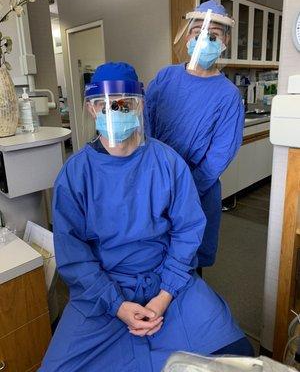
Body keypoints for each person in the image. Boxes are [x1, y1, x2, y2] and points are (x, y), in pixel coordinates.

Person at [39, 62, 252, 372]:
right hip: (101, 292)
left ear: (139, 105)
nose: (115, 111)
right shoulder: (75, 175)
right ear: (90, 109)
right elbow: (74, 256)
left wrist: (164, 296)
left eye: (124, 103)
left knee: (236, 354)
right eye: (104, 105)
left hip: (167, 281)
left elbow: (187, 231)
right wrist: (118, 305)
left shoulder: (167, 162)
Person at [144, 0, 245, 271]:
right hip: (154, 183)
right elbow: (145, 124)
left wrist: (184, 189)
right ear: (187, 35)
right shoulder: (166, 77)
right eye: (198, 31)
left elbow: (220, 154)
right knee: (151, 256)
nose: (204, 39)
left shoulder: (228, 96)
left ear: (225, 42)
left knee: (187, 263)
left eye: (213, 35)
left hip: (197, 189)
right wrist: (153, 175)